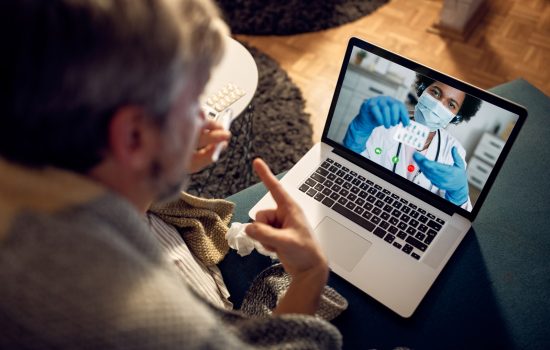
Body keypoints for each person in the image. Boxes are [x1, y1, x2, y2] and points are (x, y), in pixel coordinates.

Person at [0, 0, 341, 348]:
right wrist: (309, 277)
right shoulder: (149, 322)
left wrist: (159, 162)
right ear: (133, 136)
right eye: (194, 104)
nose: (204, 120)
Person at [343, 74, 482, 210]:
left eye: (451, 104)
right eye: (435, 92)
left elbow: (457, 217)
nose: (437, 106)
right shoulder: (383, 123)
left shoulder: (453, 151)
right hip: (366, 203)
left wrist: (459, 196)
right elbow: (348, 171)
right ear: (423, 89)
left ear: (456, 117)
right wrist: (358, 132)